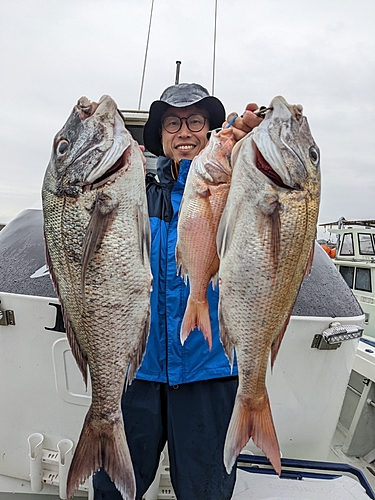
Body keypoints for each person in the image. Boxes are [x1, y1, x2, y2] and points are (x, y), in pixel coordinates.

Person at [93, 83, 263, 500]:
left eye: (195, 121)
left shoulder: (233, 185)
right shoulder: (132, 193)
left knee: (206, 492)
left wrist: (250, 141)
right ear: (161, 136)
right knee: (113, 492)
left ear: (209, 131)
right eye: (172, 123)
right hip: (138, 371)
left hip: (210, 369)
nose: (184, 131)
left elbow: (270, 203)